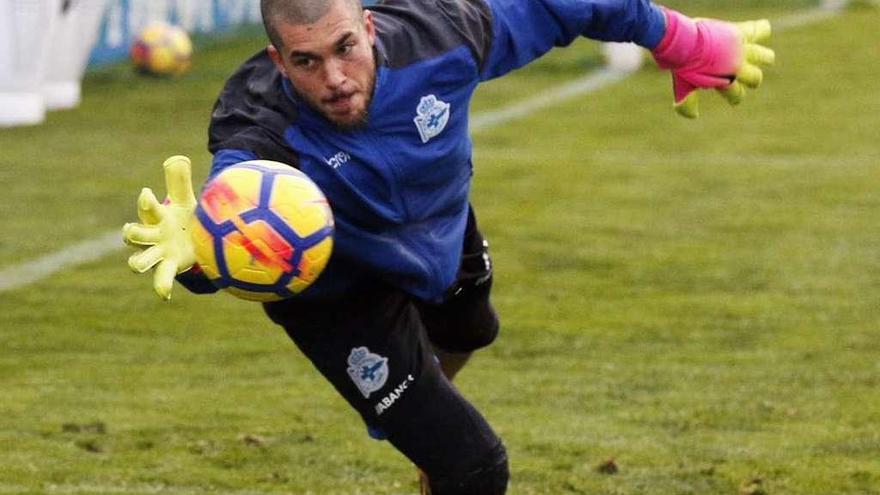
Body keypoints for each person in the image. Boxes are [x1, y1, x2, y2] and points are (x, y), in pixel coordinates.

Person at [122, 0, 774, 492]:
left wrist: (679, 37)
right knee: (474, 465)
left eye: (345, 47)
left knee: (470, 326)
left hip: (440, 229)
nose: (335, 77)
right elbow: (232, 208)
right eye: (306, 62)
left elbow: (560, 5)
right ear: (276, 61)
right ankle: (413, 411)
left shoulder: (441, 36)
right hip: (339, 290)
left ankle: (412, 403)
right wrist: (200, 252)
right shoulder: (258, 118)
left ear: (369, 26)